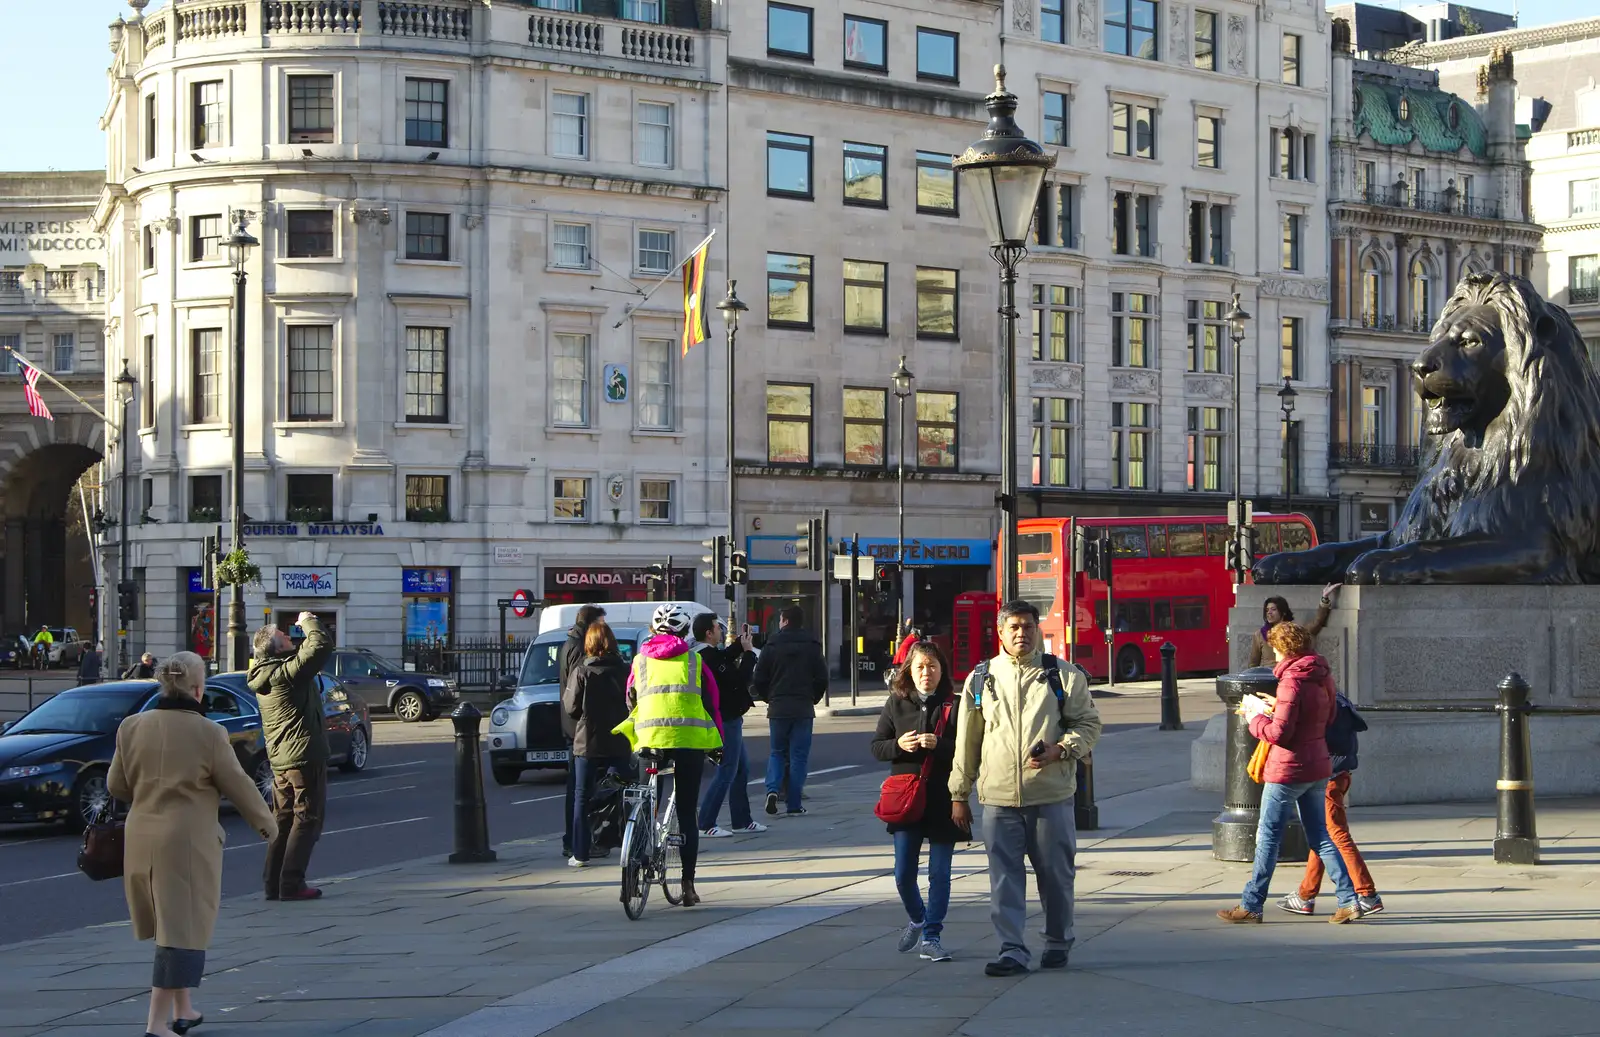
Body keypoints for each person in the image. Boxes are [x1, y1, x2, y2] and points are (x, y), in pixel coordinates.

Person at [108, 651, 277, 1037]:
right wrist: (269, 827)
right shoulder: (209, 733)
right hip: (185, 842)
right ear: (199, 689)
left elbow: (116, 786)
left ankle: (184, 1009)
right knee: (181, 934)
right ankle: (156, 1025)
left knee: (171, 925)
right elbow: (240, 787)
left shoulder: (131, 727)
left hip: (140, 838)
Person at [949, 599, 1102, 977]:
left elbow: (1089, 725)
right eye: (1014, 627)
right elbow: (968, 741)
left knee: (1056, 876)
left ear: (1038, 631)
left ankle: (1056, 941)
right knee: (1004, 880)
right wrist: (959, 793)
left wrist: (1061, 749)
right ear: (1000, 632)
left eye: (1028, 627)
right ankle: (1012, 950)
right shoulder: (981, 678)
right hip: (999, 799)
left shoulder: (1062, 676)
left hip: (1050, 795)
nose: (1021, 633)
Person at [1217, 621, 1365, 925]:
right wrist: (1277, 707)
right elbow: (1326, 717)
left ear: (1284, 648)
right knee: (1320, 837)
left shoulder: (1290, 681)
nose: (1272, 651)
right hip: (1318, 766)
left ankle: (1251, 904)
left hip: (1288, 770)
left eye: (1274, 646)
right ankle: (1349, 900)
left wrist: (1254, 718)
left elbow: (1280, 734)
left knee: (1267, 837)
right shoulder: (1322, 675)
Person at [623, 603, 723, 906]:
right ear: (683, 631)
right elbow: (712, 703)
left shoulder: (639, 661)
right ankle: (688, 886)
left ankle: (634, 868)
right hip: (688, 741)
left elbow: (630, 698)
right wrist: (716, 744)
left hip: (650, 740)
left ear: (654, 631)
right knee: (686, 812)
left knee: (645, 801)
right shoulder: (694, 661)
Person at [872, 641, 963, 963]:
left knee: (940, 873)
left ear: (942, 670)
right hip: (906, 799)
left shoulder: (954, 704)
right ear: (909, 670)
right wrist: (898, 745)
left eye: (933, 666)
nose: (927, 673)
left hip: (943, 798)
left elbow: (968, 751)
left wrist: (940, 744)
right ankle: (917, 918)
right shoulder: (896, 703)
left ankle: (932, 936)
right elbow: (877, 747)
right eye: (921, 666)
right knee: (902, 873)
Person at [248, 611, 336, 901]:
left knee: (283, 821)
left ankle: (273, 884)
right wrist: (308, 621)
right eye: (283, 637)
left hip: (281, 760)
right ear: (276, 649)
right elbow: (320, 646)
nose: (289, 636)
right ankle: (292, 882)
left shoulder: (267, 675)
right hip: (303, 756)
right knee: (308, 818)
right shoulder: (285, 675)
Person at [1280, 681, 1384, 917]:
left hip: (1327, 775)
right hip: (1340, 772)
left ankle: (1367, 893)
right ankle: (1306, 895)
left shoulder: (1315, 699)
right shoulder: (1331, 694)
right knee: (1322, 834)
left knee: (1335, 833)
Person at [563, 619, 635, 868]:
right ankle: (631, 845)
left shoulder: (582, 671)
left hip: (588, 742)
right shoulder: (625, 670)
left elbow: (570, 707)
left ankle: (580, 853)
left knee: (580, 798)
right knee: (626, 794)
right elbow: (633, 702)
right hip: (619, 740)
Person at [750, 605, 828, 817]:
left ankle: (773, 789)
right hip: (803, 706)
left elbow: (759, 677)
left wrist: (769, 697)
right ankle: (794, 803)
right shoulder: (812, 645)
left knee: (777, 752)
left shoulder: (771, 645)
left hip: (778, 706)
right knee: (799, 757)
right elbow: (822, 677)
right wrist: (813, 697)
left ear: (784, 621)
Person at [693, 613, 767, 838]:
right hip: (725, 719)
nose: (721, 631)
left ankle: (741, 820)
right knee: (727, 770)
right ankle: (706, 822)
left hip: (730, 717)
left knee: (741, 769)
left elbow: (724, 658)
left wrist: (739, 645)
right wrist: (748, 654)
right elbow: (738, 678)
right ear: (709, 632)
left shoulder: (707, 654)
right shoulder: (706, 657)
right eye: (717, 628)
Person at [559, 605, 606, 860]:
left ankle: (577, 841)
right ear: (590, 625)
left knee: (579, 789)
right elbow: (583, 688)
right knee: (580, 790)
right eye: (600, 623)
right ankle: (577, 842)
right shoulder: (579, 648)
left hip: (576, 726)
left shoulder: (571, 642)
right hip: (581, 728)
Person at [1246, 583, 1339, 668]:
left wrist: (1324, 598)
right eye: (1267, 610)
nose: (1269, 612)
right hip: (1267, 677)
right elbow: (1253, 664)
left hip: (1288, 674)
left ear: (1283, 612)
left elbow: (1317, 622)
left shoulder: (1293, 631)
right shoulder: (1259, 634)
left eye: (1273, 609)